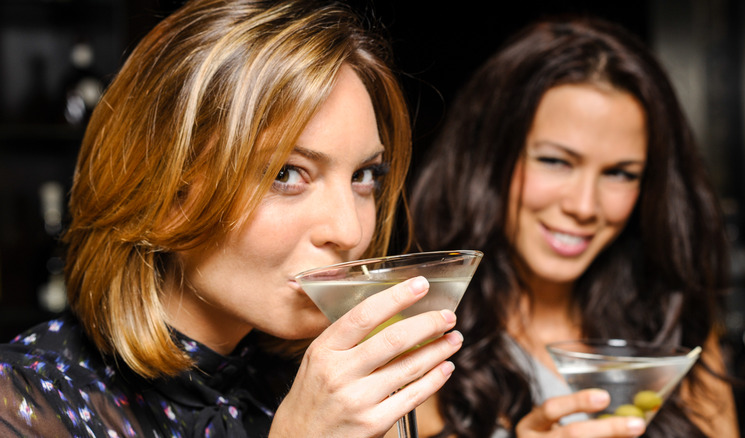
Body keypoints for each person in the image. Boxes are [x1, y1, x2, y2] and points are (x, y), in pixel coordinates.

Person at [0, 0, 464, 436]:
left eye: (365, 175)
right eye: (286, 173)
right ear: (164, 193)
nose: (351, 232)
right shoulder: (21, 403)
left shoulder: (332, 391)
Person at [408, 17, 739, 438]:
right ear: (491, 158)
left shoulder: (672, 326)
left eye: (620, 173)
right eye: (555, 161)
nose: (584, 207)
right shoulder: (420, 333)